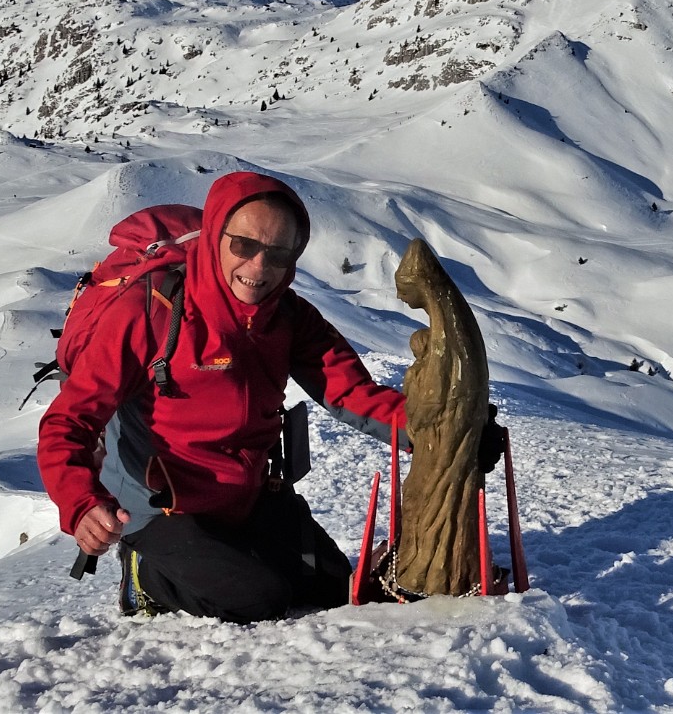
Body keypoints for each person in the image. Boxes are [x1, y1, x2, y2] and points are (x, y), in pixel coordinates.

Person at [37, 171, 409, 623]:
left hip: (250, 497)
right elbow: (67, 422)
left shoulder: (289, 317)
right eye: (243, 246)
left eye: (278, 252)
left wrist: (439, 430)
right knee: (259, 600)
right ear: (215, 236)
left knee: (332, 587)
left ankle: (235, 554)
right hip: (162, 511)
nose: (259, 267)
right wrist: (81, 504)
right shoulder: (149, 313)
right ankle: (144, 574)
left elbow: (350, 391)